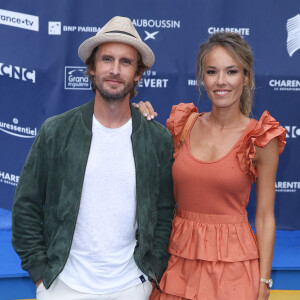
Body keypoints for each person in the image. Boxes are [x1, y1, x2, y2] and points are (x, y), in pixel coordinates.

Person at [11, 16, 174, 300]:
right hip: (62, 287)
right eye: (107, 59)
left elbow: (165, 211)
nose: (114, 70)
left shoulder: (156, 139)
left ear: (138, 73)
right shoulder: (57, 131)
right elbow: (26, 206)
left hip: (131, 287)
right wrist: (41, 276)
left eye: (126, 62)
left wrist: (151, 273)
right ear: (91, 67)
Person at [135, 32, 286, 300]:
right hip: (179, 262)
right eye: (212, 71)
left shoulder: (261, 138)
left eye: (231, 71)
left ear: (246, 77)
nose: (221, 81)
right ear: (202, 78)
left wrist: (264, 280)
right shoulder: (182, 126)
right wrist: (132, 117)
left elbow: (264, 217)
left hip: (235, 268)